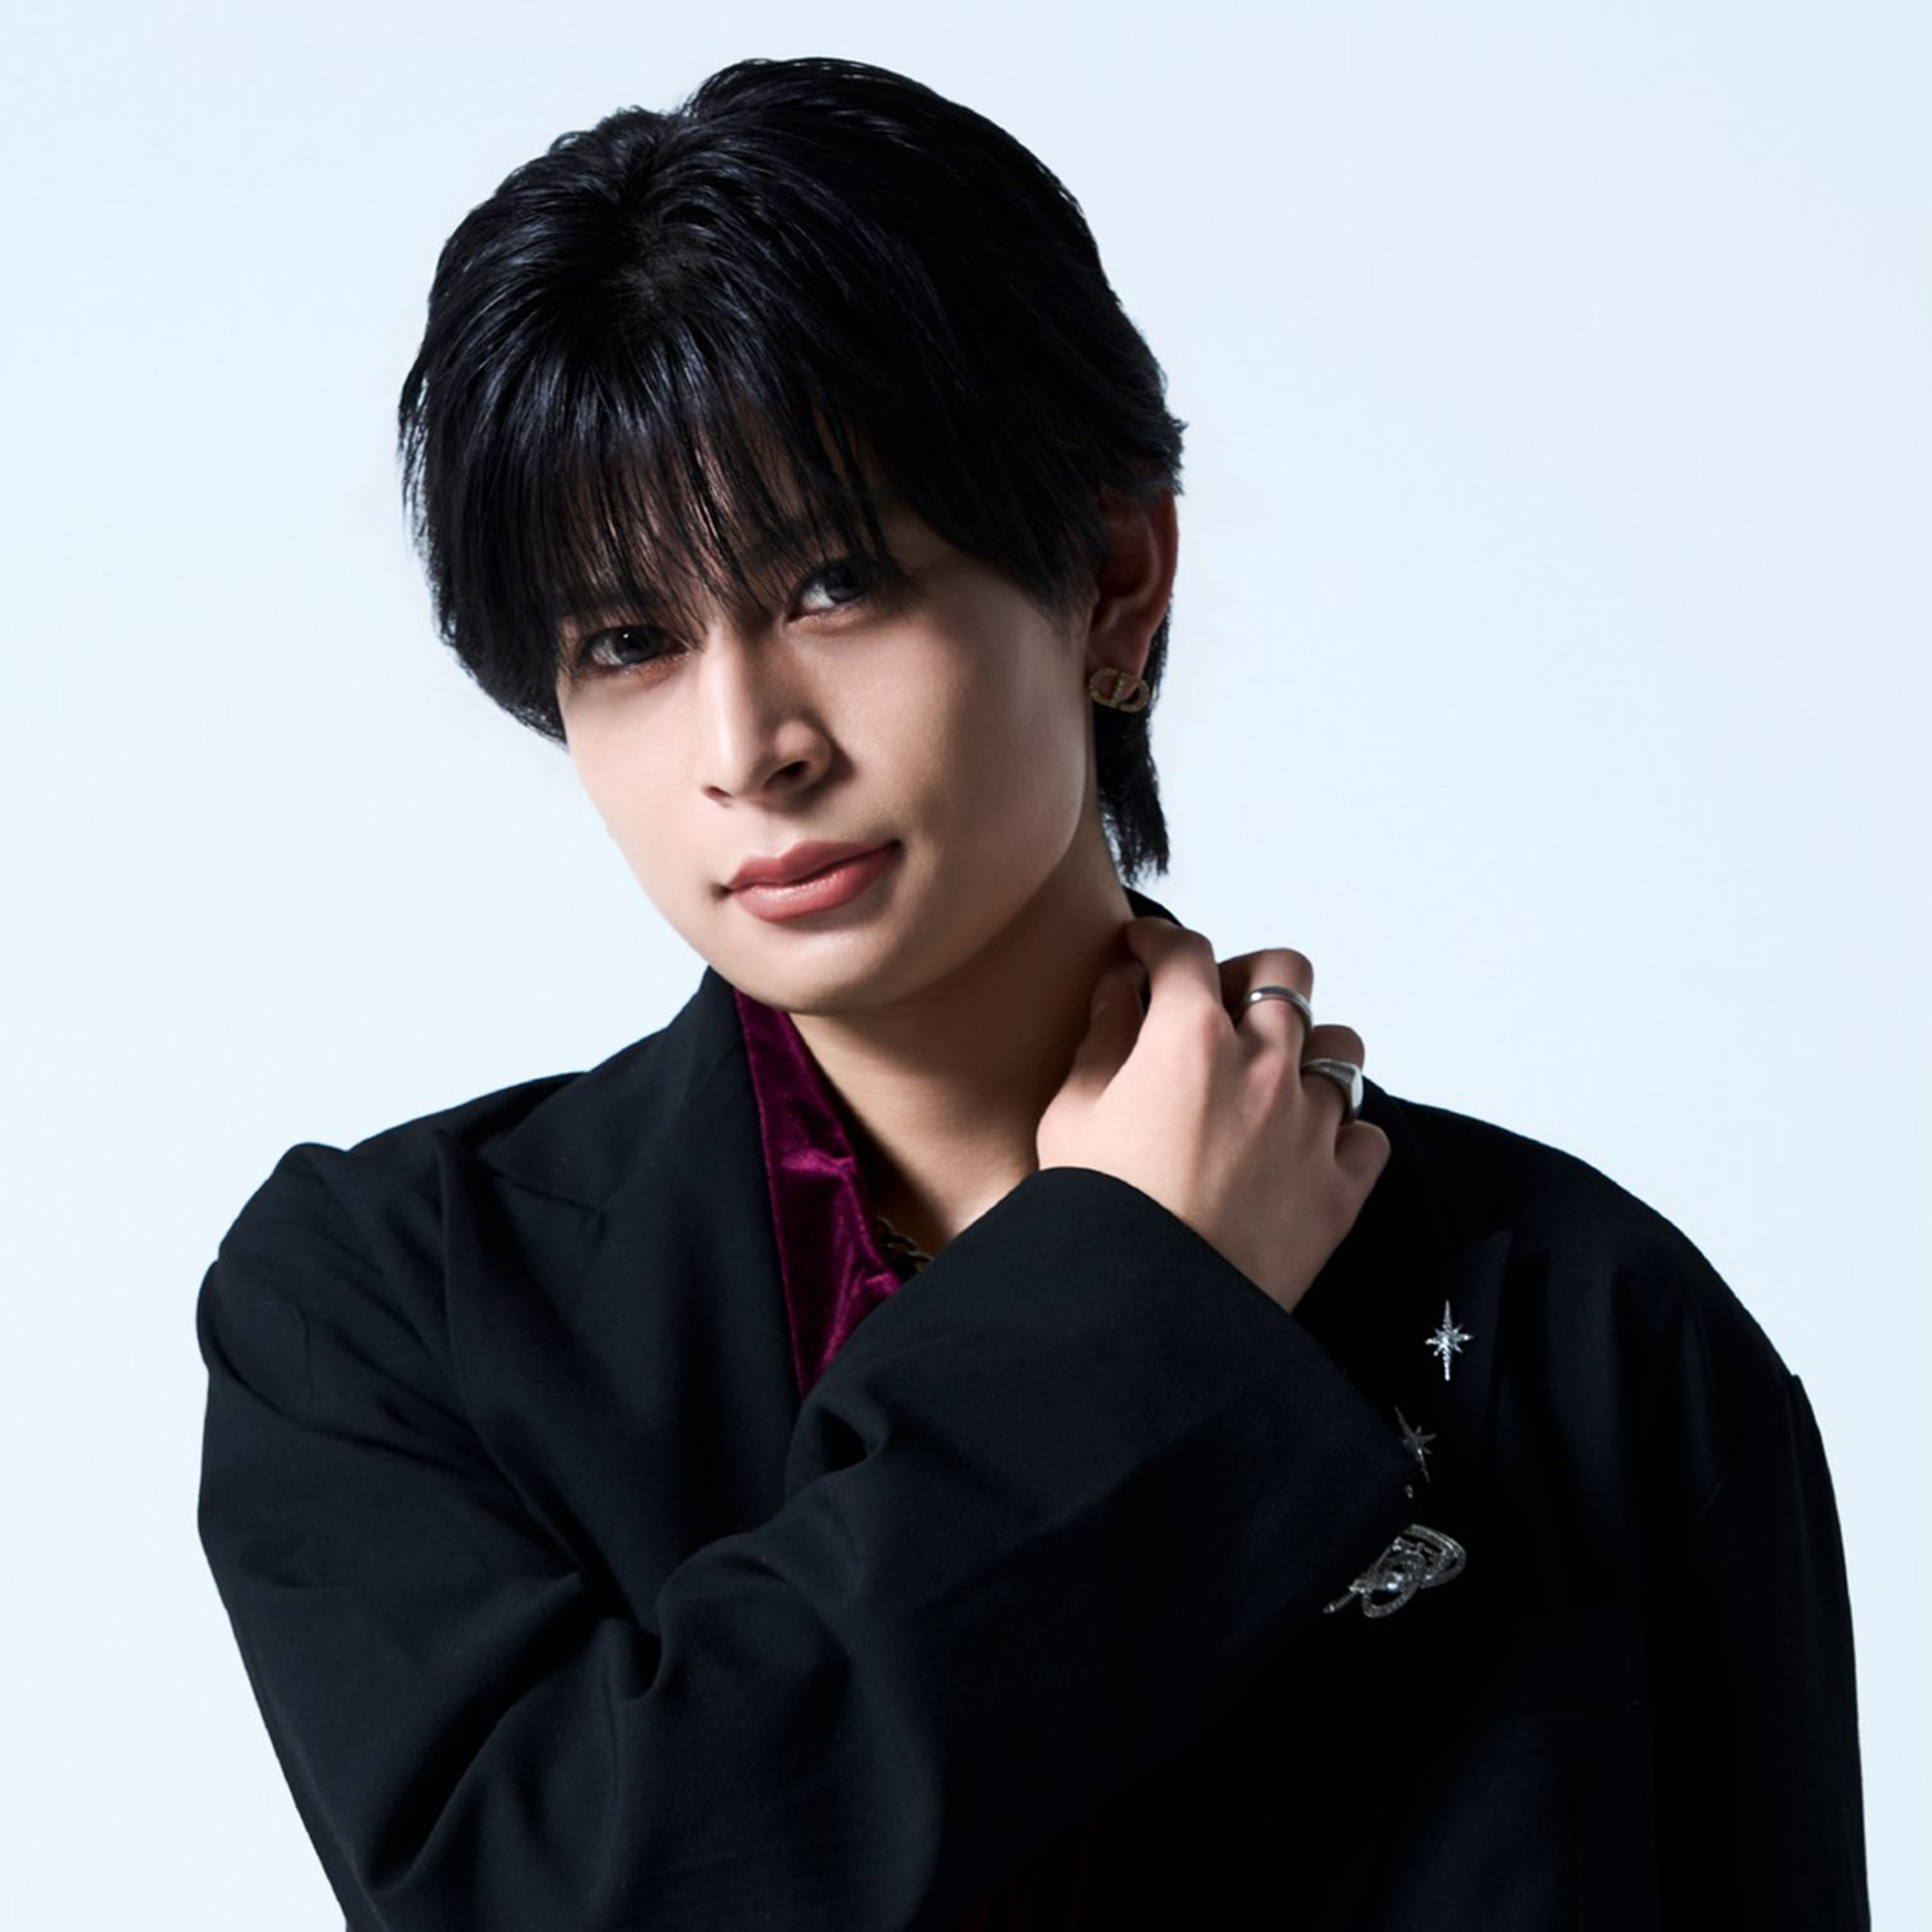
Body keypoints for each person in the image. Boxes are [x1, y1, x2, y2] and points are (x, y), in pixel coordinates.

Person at [196, 55, 1867, 1930]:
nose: (747, 746)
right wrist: (1131, 1305)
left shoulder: (1591, 1331)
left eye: (836, 582)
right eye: (629, 640)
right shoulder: (384, 1317)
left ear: (1115, 577)